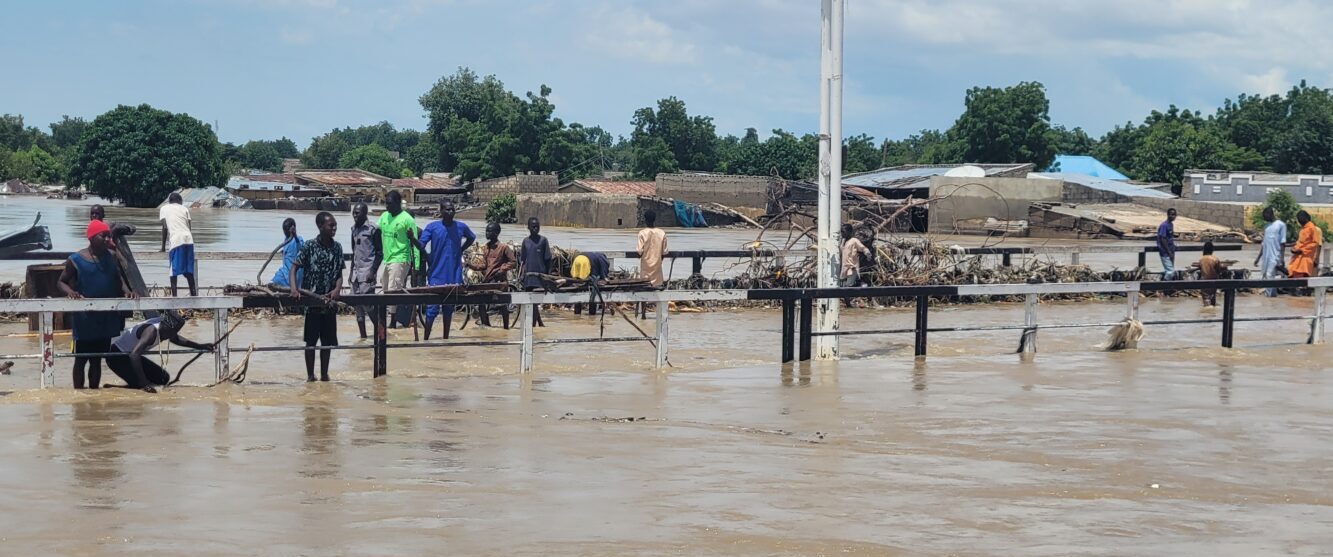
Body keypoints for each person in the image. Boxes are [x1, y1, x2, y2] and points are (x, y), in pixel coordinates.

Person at [58, 220, 136, 389]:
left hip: (105, 317)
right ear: (92, 238)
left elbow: (118, 280)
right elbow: (61, 282)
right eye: (104, 235)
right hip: (84, 319)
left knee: (97, 359)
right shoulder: (75, 259)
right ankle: (78, 394)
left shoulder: (112, 256)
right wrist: (70, 292)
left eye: (109, 235)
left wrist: (126, 291)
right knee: (80, 359)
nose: (108, 239)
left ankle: (94, 394)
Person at [289, 212, 345, 382]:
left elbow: (339, 273)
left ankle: (324, 375)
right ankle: (310, 376)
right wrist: (294, 288)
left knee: (327, 343)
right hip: (312, 303)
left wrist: (337, 289)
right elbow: (294, 268)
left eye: (335, 225)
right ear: (321, 227)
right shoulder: (309, 246)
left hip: (329, 303)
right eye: (331, 225)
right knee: (311, 343)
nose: (334, 228)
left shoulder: (338, 247)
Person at [107, 311, 213, 393]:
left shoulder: (164, 327)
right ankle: (114, 388)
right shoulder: (151, 332)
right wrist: (144, 384)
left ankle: (131, 384)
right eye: (173, 332)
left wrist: (200, 346)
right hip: (117, 356)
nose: (173, 336)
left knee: (163, 379)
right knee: (141, 385)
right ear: (167, 328)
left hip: (129, 355)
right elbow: (134, 355)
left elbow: (176, 339)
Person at [419, 201, 475, 340]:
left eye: (452, 209)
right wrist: (412, 239)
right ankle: (426, 339)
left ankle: (446, 338)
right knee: (432, 309)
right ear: (441, 211)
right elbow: (421, 245)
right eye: (447, 210)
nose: (450, 212)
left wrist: (461, 249)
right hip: (436, 275)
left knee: (449, 309)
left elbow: (471, 237)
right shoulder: (432, 227)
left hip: (454, 274)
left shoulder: (461, 227)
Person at [377, 190, 418, 327]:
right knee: (384, 286)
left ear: (398, 203)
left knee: (393, 288)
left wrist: (415, 266)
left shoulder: (407, 219)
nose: (387, 207)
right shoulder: (384, 216)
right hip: (387, 258)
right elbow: (376, 232)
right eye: (385, 203)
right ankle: (401, 313)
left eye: (389, 204)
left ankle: (393, 321)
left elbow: (415, 243)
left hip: (401, 258)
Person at [467, 221, 516, 328]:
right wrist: (471, 266)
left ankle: (506, 328)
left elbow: (513, 262)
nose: (487, 233)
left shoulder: (504, 248)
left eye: (489, 231)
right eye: (486, 231)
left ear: (496, 233)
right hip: (488, 280)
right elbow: (484, 265)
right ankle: (486, 325)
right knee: (481, 302)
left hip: (499, 281)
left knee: (502, 304)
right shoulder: (486, 248)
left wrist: (501, 270)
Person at [349, 203, 382, 339]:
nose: (355, 215)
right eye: (354, 213)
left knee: (368, 305)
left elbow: (380, 253)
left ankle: (380, 331)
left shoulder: (373, 229)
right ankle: (363, 337)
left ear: (365, 213)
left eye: (358, 213)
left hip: (367, 271)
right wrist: (351, 272)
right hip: (356, 274)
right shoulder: (353, 229)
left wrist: (372, 272)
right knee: (357, 306)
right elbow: (354, 252)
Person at [159, 192, 197, 296]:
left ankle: (174, 298)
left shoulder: (164, 208)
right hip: (189, 239)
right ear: (180, 201)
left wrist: (163, 247)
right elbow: (189, 227)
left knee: (173, 272)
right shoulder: (184, 208)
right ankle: (194, 297)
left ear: (170, 201)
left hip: (176, 240)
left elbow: (165, 228)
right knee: (189, 271)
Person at [520, 217, 551, 327]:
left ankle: (534, 325)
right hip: (528, 277)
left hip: (540, 277)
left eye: (537, 226)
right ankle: (539, 324)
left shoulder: (543, 241)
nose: (535, 229)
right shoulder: (525, 242)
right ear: (528, 227)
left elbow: (548, 260)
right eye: (533, 226)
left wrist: (548, 277)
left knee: (535, 302)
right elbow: (523, 261)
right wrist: (522, 275)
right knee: (531, 302)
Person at [1255, 206, 1288, 297]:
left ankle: (1269, 297)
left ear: (1270, 214)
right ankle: (1272, 296)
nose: (1264, 218)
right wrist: (1258, 258)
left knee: (1270, 275)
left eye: (1265, 216)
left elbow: (1283, 243)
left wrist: (1281, 258)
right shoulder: (1266, 227)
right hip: (1266, 256)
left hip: (1275, 256)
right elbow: (1264, 244)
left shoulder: (1281, 225)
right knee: (1266, 276)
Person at [270, 218, 304, 289]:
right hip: (285, 269)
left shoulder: (298, 239)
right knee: (277, 278)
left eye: (286, 230)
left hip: (294, 271)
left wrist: (295, 236)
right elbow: (289, 248)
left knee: (283, 280)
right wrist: (284, 251)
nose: (285, 232)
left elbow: (301, 249)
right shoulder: (286, 239)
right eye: (284, 230)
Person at [637, 210, 668, 287]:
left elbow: (639, 251)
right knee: (657, 286)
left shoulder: (642, 233)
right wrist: (659, 260)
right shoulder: (662, 233)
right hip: (657, 267)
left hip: (645, 267)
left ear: (645, 220)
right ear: (654, 219)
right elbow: (664, 252)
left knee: (645, 286)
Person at [1288, 210, 1323, 279]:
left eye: (1300, 218)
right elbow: (1299, 242)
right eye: (1298, 219)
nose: (1299, 221)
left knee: (1303, 275)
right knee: (1292, 272)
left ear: (1306, 218)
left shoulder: (1312, 228)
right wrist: (1294, 249)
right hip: (1298, 256)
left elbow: (1315, 243)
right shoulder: (1302, 230)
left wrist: (1302, 250)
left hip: (1306, 257)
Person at [1198, 241, 1226, 307]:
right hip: (1214, 280)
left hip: (1204, 280)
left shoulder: (1201, 259)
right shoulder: (1215, 259)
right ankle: (1212, 311)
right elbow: (1218, 270)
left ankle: (1207, 311)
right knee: (1213, 296)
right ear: (1212, 249)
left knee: (1206, 297)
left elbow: (1200, 269)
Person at [1156, 208, 1177, 281]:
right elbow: (1163, 239)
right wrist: (1168, 252)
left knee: (1169, 269)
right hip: (1165, 252)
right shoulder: (1164, 225)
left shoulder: (1171, 224)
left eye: (1174, 215)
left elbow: (1169, 238)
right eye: (1171, 214)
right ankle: (1162, 286)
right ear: (1168, 215)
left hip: (1171, 250)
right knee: (1170, 272)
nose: (1173, 216)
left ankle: (1167, 289)